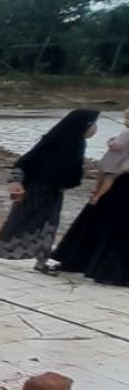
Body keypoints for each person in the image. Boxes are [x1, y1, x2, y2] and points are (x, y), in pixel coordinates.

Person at [0, 109, 99, 274]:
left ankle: (41, 261)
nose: (94, 129)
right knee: (17, 221)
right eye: (93, 125)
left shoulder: (77, 144)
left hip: (54, 193)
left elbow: (72, 172)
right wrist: (16, 181)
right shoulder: (52, 142)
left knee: (48, 226)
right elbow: (24, 162)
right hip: (34, 189)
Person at [52, 108, 129, 285]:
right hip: (122, 180)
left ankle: (85, 261)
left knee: (103, 215)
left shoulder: (125, 135)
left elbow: (116, 148)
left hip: (118, 177)